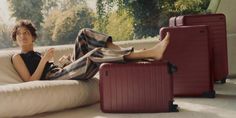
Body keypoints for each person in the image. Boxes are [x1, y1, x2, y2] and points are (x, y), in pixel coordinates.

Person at [11, 20, 170, 82]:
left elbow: (55, 68)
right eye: (19, 34)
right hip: (53, 77)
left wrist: (67, 62)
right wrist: (45, 60)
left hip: (62, 70)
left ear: (33, 37)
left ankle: (125, 53)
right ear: (15, 39)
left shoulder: (37, 53)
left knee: (83, 33)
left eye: (26, 33)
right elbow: (30, 80)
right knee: (94, 54)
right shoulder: (17, 57)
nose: (22, 36)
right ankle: (147, 54)